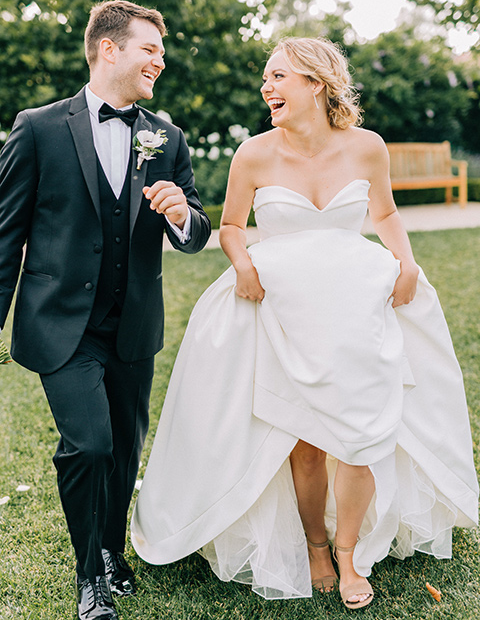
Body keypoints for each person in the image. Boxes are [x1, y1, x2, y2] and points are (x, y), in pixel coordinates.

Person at [131, 37, 478, 610]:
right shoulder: (254, 154)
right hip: (283, 311)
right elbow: (233, 225)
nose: (267, 88)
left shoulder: (367, 147)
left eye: (278, 77)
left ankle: (349, 555)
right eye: (266, 79)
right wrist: (241, 263)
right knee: (305, 443)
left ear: (316, 83)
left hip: (355, 307)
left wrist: (407, 262)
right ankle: (317, 546)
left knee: (360, 440)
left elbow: (384, 212)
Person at [0, 0, 211, 620]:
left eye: (162, 52)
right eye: (150, 49)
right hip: (60, 321)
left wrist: (180, 215)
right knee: (88, 445)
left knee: (123, 448)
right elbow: (6, 232)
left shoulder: (165, 136)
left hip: (134, 324)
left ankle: (114, 552)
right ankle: (89, 573)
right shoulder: (38, 128)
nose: (160, 61)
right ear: (109, 49)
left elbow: (196, 229)